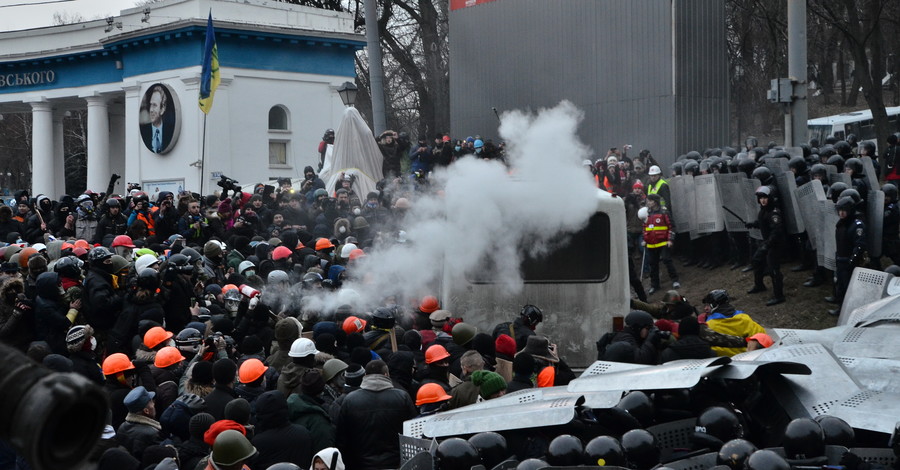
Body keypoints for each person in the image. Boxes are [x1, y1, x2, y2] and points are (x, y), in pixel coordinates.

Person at [336, 359, 416, 469]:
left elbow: (342, 439)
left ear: (365, 375)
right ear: (386, 374)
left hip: (360, 464)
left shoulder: (350, 400)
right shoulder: (402, 397)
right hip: (396, 464)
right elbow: (413, 433)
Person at [745, 186, 785, 306]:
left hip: (775, 245)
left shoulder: (774, 213)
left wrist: (766, 246)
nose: (762, 200)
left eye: (765, 198)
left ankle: (779, 296)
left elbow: (776, 232)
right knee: (756, 262)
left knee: (774, 269)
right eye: (760, 198)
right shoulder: (764, 210)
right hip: (767, 243)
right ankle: (759, 285)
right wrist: (753, 224)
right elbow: (763, 222)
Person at [828, 196, 867, 316]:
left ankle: (848, 310)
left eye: (844, 210)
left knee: (848, 287)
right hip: (841, 258)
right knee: (840, 284)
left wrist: (852, 259)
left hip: (849, 261)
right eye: (839, 210)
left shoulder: (856, 225)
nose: (841, 213)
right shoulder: (842, 223)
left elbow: (859, 245)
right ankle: (841, 306)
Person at [701, 289, 766, 357]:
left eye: (708, 305)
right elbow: (761, 334)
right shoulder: (744, 317)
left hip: (729, 362)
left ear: (714, 305)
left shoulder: (709, 325)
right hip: (753, 356)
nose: (705, 308)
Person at [642, 193, 680, 295]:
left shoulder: (664, 212)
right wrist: (645, 239)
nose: (647, 203)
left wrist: (670, 240)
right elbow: (645, 228)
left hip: (663, 242)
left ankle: (675, 280)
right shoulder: (646, 213)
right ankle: (655, 285)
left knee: (667, 260)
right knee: (653, 265)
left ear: (654, 202)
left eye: (649, 201)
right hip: (651, 244)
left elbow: (671, 226)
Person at [117, 386, 162, 461]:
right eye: (151, 401)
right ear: (146, 411)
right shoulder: (153, 434)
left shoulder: (122, 427)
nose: (154, 404)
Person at [140, 85, 175, 153]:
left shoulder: (171, 131)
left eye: (154, 105)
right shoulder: (144, 131)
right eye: (150, 105)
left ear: (162, 109)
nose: (151, 110)